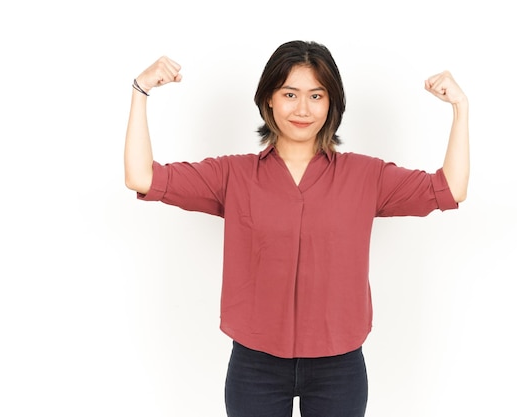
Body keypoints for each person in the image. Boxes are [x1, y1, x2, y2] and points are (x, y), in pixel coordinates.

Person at [124, 40, 469, 417]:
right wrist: (140, 92)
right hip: (255, 365)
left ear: (331, 104)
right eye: (290, 94)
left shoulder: (366, 176)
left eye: (316, 96)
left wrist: (460, 108)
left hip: (338, 366)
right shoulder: (233, 175)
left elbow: (450, 188)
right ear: (269, 99)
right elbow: (141, 177)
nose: (302, 109)